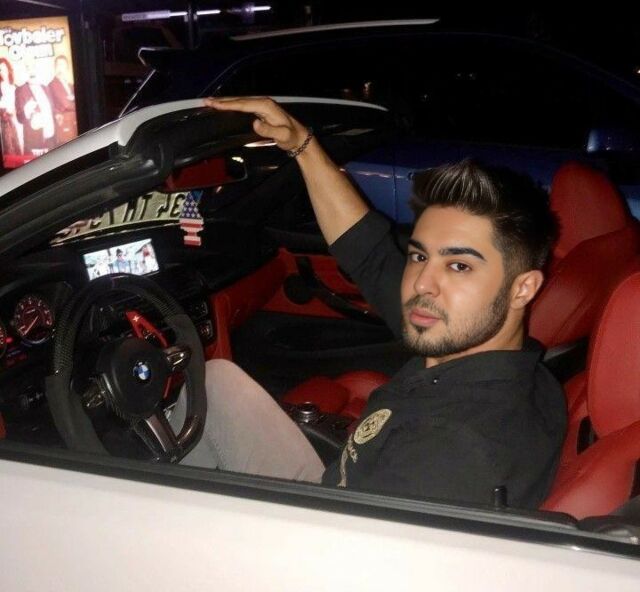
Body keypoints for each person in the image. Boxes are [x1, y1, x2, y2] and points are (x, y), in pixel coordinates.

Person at [170, 97, 567, 509]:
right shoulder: (497, 354)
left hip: (323, 528)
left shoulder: (452, 454)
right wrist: (302, 145)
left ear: (523, 288)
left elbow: (332, 551)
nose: (422, 284)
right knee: (214, 383)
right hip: (345, 493)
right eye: (419, 256)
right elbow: (370, 250)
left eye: (459, 266)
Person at [14, 57, 55, 157]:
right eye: (28, 67)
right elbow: (19, 118)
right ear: (24, 71)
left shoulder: (45, 87)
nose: (31, 70)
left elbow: (52, 111)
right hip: (34, 143)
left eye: (33, 67)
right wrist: (26, 111)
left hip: (51, 140)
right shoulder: (20, 90)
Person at [48, 55, 77, 146]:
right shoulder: (53, 84)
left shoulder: (70, 85)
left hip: (73, 125)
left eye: (63, 66)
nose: (61, 68)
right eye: (59, 65)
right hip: (64, 128)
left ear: (67, 68)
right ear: (55, 67)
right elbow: (66, 104)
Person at [0, 57, 22, 157]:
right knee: (11, 154)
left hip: (19, 122)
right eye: (0, 70)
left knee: (21, 150)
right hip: (6, 125)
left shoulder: (15, 87)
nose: (3, 72)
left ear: (8, 69)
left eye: (4, 68)